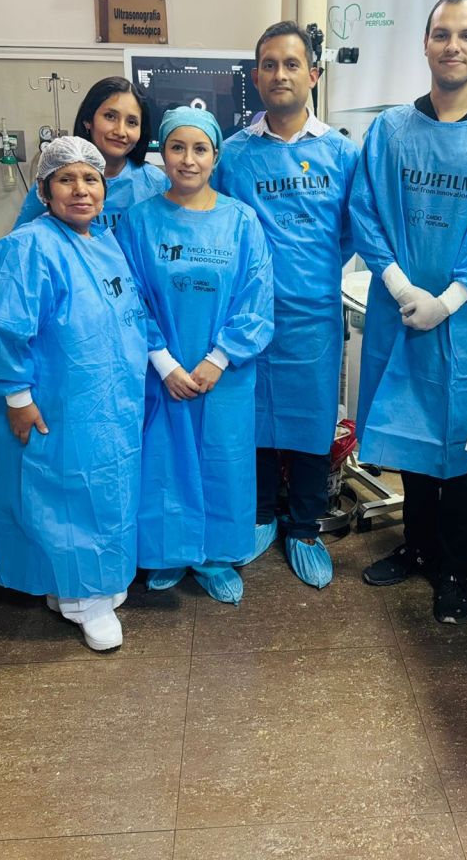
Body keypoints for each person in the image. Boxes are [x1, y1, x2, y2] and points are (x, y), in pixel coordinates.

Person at [350, 0, 467, 623]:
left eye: (466, 34)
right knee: (410, 433)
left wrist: (452, 297)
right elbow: (366, 211)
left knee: (458, 443)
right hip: (401, 307)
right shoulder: (391, 131)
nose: (453, 45)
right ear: (425, 44)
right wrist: (404, 289)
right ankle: (417, 546)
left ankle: (454, 566)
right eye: (441, 34)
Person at [0, 136, 148, 651]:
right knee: (68, 495)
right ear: (45, 190)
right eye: (66, 180)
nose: (81, 189)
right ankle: (84, 601)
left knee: (104, 490)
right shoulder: (30, 247)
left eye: (90, 179)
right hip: (60, 403)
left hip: (107, 401)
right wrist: (16, 397)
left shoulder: (104, 242)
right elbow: (3, 329)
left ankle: (83, 586)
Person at [213, 21, 359, 589]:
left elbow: (350, 231)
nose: (280, 74)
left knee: (311, 417)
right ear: (256, 77)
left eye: (292, 64)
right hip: (248, 313)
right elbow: (216, 224)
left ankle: (303, 526)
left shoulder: (341, 153)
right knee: (252, 413)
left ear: (313, 75)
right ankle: (259, 515)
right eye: (269, 65)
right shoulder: (233, 154)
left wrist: (309, 274)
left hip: (314, 313)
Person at [116, 107, 274, 605]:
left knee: (223, 461)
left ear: (216, 157)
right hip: (162, 372)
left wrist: (218, 359)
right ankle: (168, 552)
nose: (188, 159)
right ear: (162, 155)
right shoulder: (139, 222)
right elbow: (128, 299)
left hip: (224, 376)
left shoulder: (241, 222)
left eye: (199, 149)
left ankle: (215, 556)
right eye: (177, 148)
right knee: (164, 462)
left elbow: (256, 298)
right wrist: (164, 363)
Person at [15, 76, 167, 233]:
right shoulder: (54, 179)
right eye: (110, 116)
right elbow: (22, 241)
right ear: (88, 120)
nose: (121, 131)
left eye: (132, 122)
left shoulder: (154, 182)